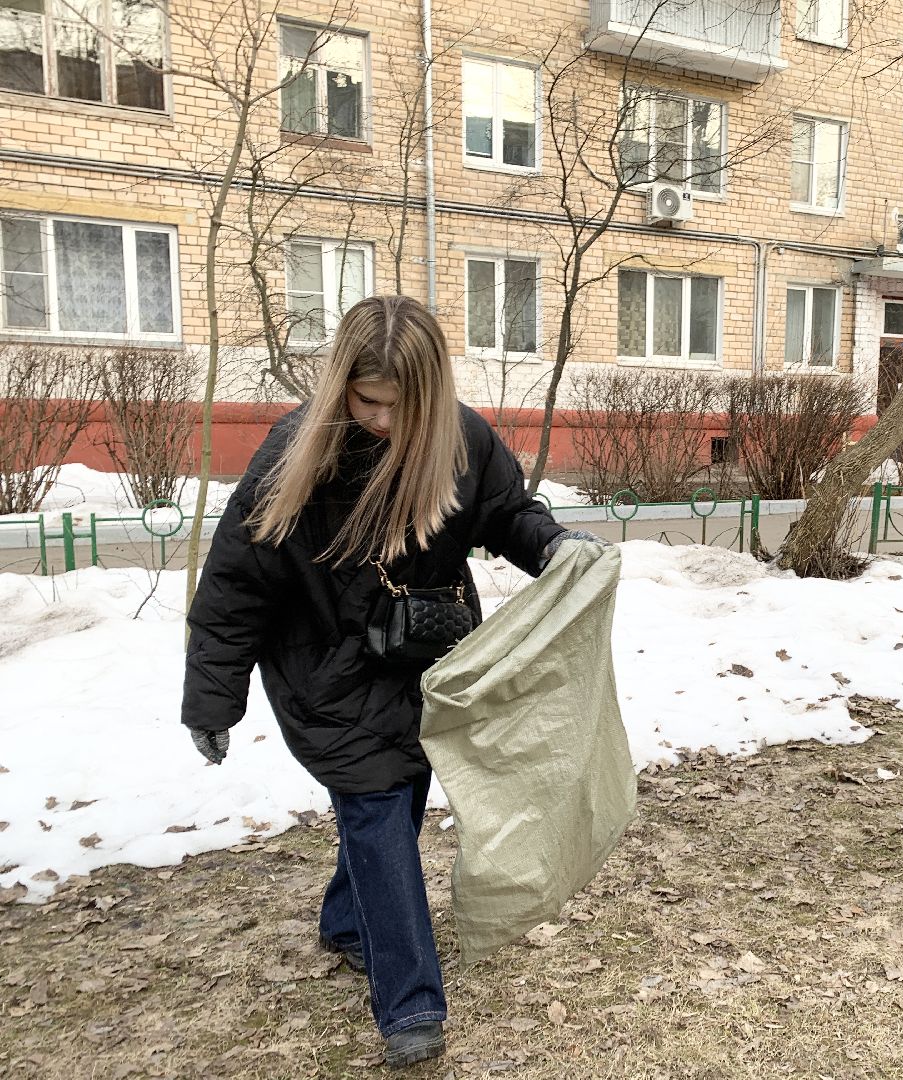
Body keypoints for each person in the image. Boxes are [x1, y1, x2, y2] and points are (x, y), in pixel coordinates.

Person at [181, 295, 600, 1067]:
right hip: (322, 666)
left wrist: (557, 548)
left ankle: (347, 921)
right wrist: (213, 697)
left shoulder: (462, 439)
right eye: (365, 400)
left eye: (397, 405)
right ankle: (410, 1005)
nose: (379, 419)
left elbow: (507, 512)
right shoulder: (296, 451)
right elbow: (236, 582)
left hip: (425, 662)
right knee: (376, 808)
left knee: (400, 800)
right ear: (342, 381)